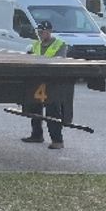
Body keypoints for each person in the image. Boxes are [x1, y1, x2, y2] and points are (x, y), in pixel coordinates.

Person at [22, 20, 68, 149]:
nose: (41, 34)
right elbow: (29, 58)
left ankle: (57, 140)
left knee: (52, 110)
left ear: (49, 31)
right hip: (37, 80)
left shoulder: (59, 44)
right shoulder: (35, 45)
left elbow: (60, 61)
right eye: (39, 32)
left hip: (53, 81)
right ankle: (37, 135)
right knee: (35, 108)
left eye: (43, 32)